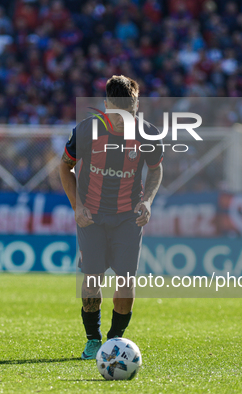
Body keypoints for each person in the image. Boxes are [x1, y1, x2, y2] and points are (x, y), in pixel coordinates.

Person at [59, 75, 163, 360]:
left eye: (127, 114)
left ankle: (115, 340)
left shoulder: (147, 134)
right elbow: (65, 167)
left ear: (136, 107)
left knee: (126, 281)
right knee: (92, 279)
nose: (121, 121)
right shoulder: (87, 131)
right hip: (91, 215)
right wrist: (77, 207)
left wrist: (148, 201)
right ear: (105, 105)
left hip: (129, 216)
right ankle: (93, 339)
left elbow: (155, 169)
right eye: (115, 115)